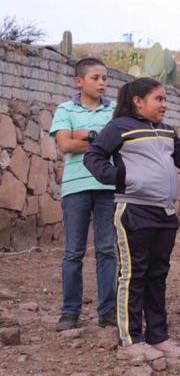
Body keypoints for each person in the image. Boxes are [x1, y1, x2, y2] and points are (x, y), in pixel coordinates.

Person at [83, 78, 180, 363]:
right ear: (138, 101)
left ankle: (158, 336)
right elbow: (94, 157)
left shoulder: (167, 131)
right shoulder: (120, 127)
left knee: (157, 275)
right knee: (133, 275)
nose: (165, 104)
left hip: (164, 213)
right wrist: (121, 179)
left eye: (165, 99)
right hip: (134, 210)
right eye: (159, 99)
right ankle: (130, 339)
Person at [50, 57, 117, 332]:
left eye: (104, 78)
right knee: (73, 252)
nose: (102, 83)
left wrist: (83, 136)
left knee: (106, 250)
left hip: (108, 188)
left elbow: (116, 143)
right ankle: (70, 312)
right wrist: (97, 137)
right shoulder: (64, 108)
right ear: (79, 81)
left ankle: (108, 312)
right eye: (96, 78)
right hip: (75, 187)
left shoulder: (114, 110)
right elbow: (65, 144)